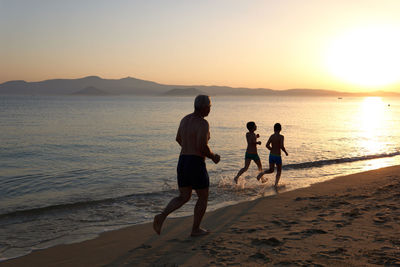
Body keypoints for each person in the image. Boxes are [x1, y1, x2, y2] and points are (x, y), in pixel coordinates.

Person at [153, 95, 220, 237]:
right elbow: (202, 146)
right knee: (203, 197)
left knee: (183, 196)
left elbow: (178, 138)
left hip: (183, 161)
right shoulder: (203, 123)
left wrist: (188, 149)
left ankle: (162, 216)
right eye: (209, 106)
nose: (210, 109)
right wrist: (213, 157)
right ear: (203, 107)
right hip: (195, 163)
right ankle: (195, 229)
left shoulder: (185, 119)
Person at [257, 123, 288, 188]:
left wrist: (271, 149)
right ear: (280, 129)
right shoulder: (281, 137)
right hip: (277, 156)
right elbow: (282, 146)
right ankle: (276, 184)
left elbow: (266, 145)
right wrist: (285, 152)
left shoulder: (272, 136)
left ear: (274, 129)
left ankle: (262, 173)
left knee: (271, 170)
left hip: (271, 155)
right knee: (279, 171)